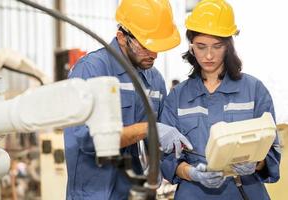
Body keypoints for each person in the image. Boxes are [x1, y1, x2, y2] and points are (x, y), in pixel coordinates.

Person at [63, 0, 192, 199]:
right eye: (146, 46)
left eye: (158, 46)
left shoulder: (154, 79)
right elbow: (86, 139)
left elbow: (160, 139)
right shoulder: (92, 70)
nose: (154, 54)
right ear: (122, 37)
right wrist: (148, 128)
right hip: (94, 194)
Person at [160, 0, 281, 199]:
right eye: (201, 46)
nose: (209, 55)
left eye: (217, 46)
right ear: (191, 47)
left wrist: (256, 164)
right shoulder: (177, 97)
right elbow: (167, 160)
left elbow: (271, 151)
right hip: (194, 193)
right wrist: (192, 173)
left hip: (245, 191)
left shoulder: (254, 90)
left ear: (229, 46)